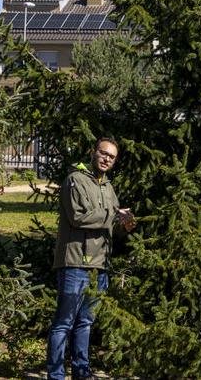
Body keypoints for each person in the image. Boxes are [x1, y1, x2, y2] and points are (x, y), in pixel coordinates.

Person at [46, 137, 135, 380]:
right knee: (63, 323)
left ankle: (81, 373)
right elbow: (78, 217)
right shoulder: (75, 180)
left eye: (112, 157)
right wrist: (113, 215)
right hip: (75, 263)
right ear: (93, 152)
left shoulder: (108, 187)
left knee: (85, 322)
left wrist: (123, 224)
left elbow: (108, 225)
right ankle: (55, 375)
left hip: (100, 265)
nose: (107, 159)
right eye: (103, 153)